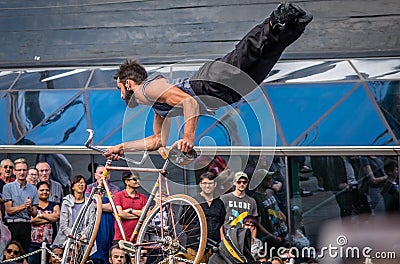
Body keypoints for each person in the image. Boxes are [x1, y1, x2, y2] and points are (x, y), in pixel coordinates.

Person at [103, 2, 313, 157]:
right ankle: (296, 26)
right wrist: (121, 147)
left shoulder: (149, 89)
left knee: (246, 53)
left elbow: (189, 102)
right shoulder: (158, 107)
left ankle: (276, 18)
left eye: (120, 88)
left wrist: (188, 138)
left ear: (129, 84)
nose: (121, 95)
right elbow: (156, 141)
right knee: (264, 60)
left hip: (208, 82)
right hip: (224, 95)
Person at [179, 171, 226, 263]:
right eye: (204, 183)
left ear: (215, 184)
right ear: (200, 185)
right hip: (195, 246)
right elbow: (183, 223)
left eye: (210, 183)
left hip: (212, 247)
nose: (207, 186)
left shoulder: (219, 203)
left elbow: (220, 223)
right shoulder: (194, 201)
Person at [86, 165, 120, 264]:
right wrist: (106, 206)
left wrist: (98, 205)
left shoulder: (115, 189)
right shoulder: (90, 188)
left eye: (106, 173)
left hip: (109, 222)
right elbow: (89, 206)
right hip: (94, 221)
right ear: (95, 175)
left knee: (109, 247)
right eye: (101, 173)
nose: (104, 175)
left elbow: (113, 207)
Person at [3, 158, 38, 254]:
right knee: (9, 254)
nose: (21, 172)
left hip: (26, 225)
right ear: (14, 171)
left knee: (24, 254)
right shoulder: (7, 187)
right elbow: (9, 210)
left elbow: (35, 213)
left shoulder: (33, 189)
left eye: (24, 170)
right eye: (19, 170)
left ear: (27, 172)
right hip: (11, 225)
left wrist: (30, 208)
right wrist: (24, 206)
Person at [53, 175, 91, 246]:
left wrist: (82, 236)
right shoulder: (66, 202)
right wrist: (74, 236)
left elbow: (91, 223)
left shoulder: (89, 202)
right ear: (73, 186)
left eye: (82, 182)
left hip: (84, 239)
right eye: (78, 183)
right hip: (67, 238)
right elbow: (63, 225)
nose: (81, 184)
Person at [28, 181, 60, 264]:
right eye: (42, 190)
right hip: (33, 244)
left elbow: (56, 217)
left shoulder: (55, 205)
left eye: (47, 190)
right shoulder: (33, 206)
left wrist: (40, 215)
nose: (45, 192)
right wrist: (49, 218)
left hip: (50, 243)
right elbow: (32, 220)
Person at [113, 171, 147, 241]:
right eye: (134, 179)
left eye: (138, 179)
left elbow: (146, 215)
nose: (137, 181)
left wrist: (131, 210)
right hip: (121, 236)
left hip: (139, 238)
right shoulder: (118, 195)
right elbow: (121, 214)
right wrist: (139, 215)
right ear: (126, 181)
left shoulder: (142, 197)